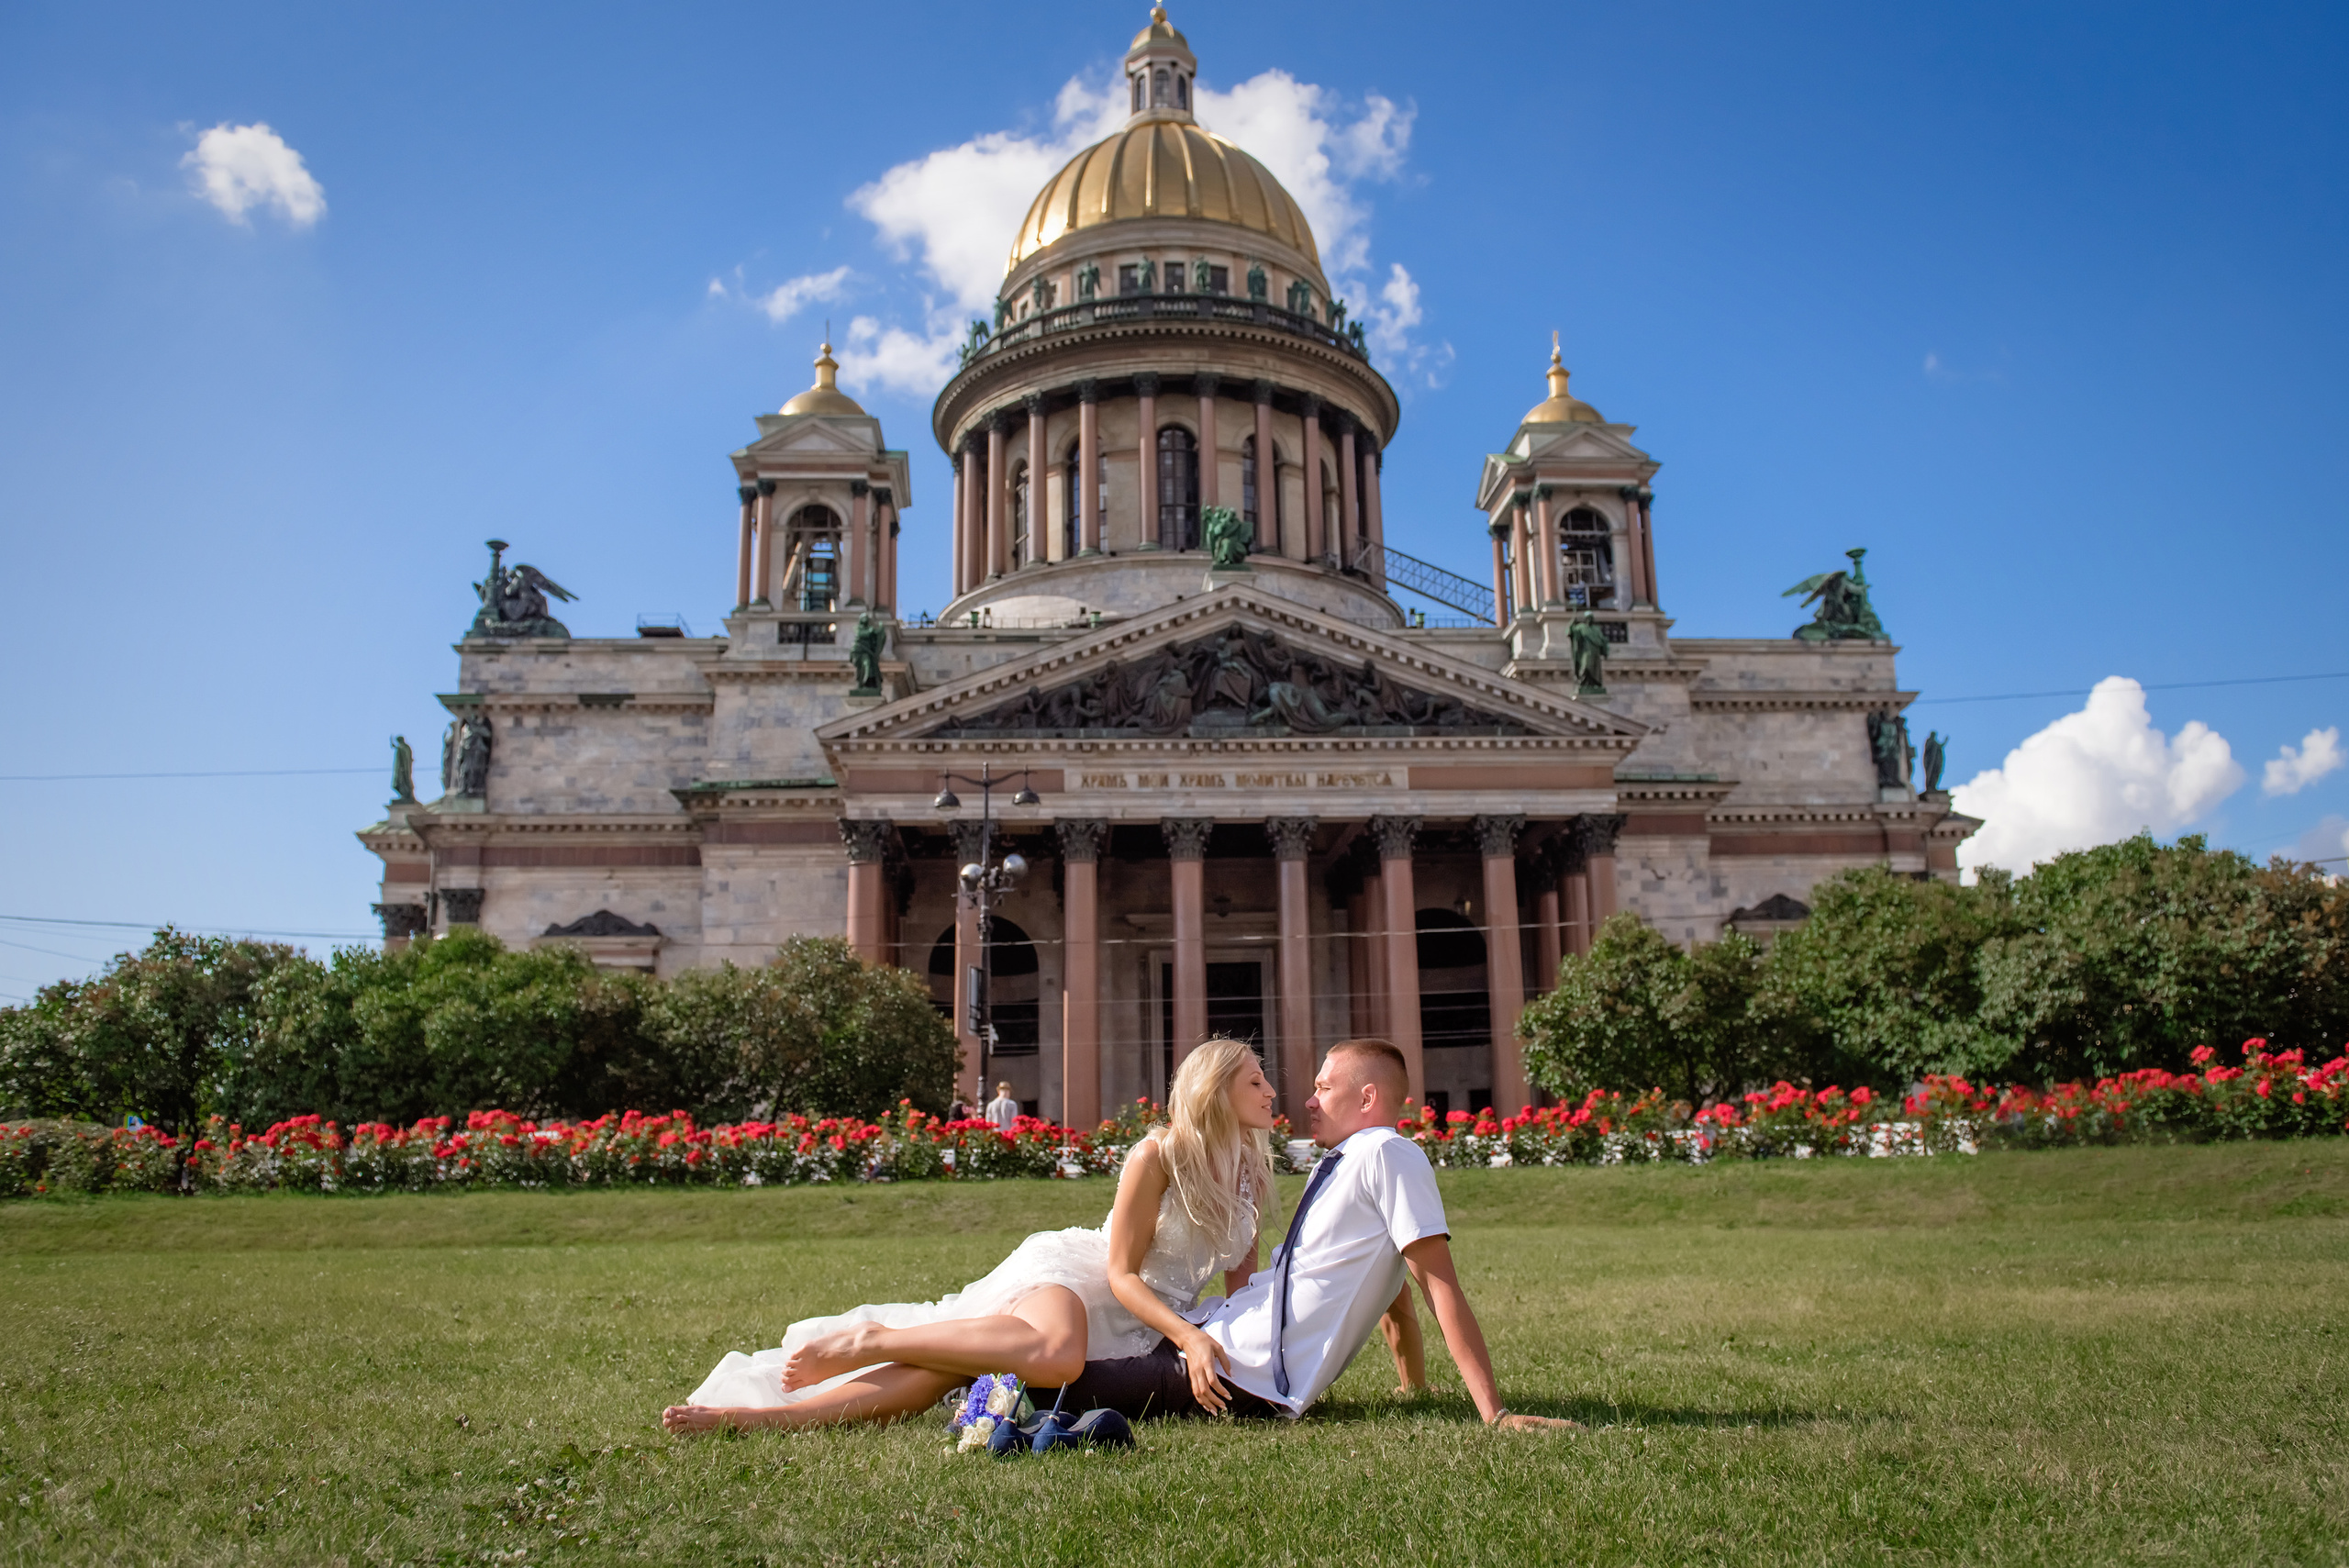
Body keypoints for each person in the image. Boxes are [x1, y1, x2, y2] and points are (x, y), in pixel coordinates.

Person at [662, 1037, 1308, 1433]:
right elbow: (1119, 1273)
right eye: (1255, 1079)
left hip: (1139, 1323)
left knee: (938, 1375)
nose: (1271, 1089)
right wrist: (1189, 1336)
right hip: (1078, 1278)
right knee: (1057, 1353)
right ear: (1213, 1088)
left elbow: (1239, 1280)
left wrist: (1248, 1343)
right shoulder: (1157, 1153)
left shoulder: (1252, 1166)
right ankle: (872, 1338)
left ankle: (758, 1419)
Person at [1033, 1039, 1575, 1433]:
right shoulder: (1341, 1162)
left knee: (1050, 1382)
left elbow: (1437, 1286)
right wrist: (1413, 1385)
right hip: (1218, 1330)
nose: (1307, 1100)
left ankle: (968, 1381)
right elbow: (1394, 1290)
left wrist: (1494, 1413)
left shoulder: (1388, 1153)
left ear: (1366, 1099)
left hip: (1241, 1369)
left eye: (1323, 1087)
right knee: (1052, 1349)